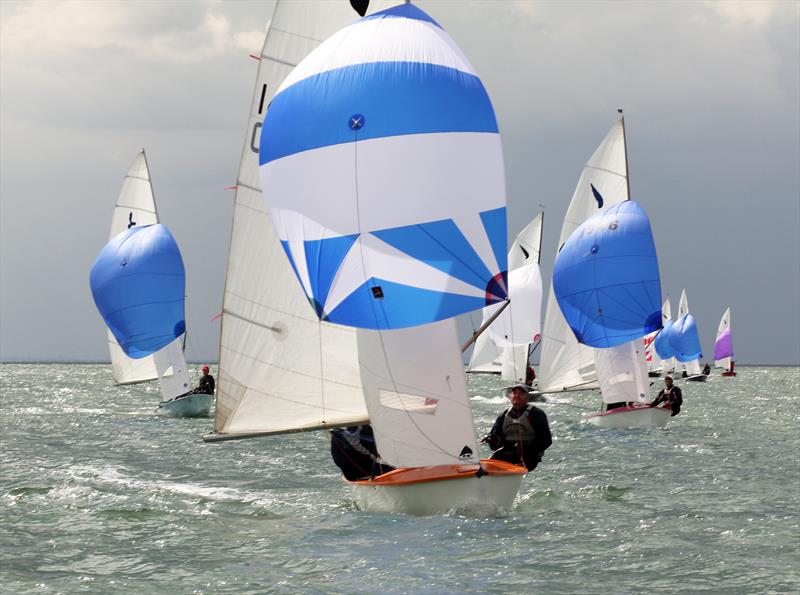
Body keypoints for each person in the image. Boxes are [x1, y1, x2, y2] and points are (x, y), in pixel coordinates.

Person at [485, 384, 552, 471]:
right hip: (507, 452)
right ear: (510, 396)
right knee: (489, 464)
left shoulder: (536, 414)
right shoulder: (504, 415)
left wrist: (527, 447)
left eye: (521, 393)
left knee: (509, 459)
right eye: (515, 393)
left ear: (527, 397)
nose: (517, 396)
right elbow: (495, 444)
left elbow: (546, 440)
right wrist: (492, 440)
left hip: (529, 456)